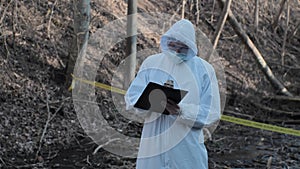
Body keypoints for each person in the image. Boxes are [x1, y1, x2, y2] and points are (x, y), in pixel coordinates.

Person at [124, 19, 221, 169]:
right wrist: (148, 102)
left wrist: (181, 111)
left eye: (181, 48)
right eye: (172, 45)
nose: (176, 51)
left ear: (190, 47)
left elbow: (211, 113)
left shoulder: (204, 70)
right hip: (153, 144)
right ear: (166, 42)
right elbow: (132, 98)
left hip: (186, 147)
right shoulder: (152, 63)